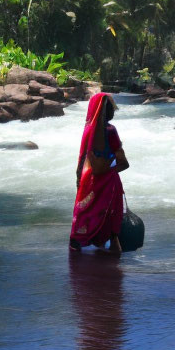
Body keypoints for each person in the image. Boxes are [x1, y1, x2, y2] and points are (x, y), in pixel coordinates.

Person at [70, 93, 130, 253]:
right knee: (111, 218)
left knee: (85, 212)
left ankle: (77, 253)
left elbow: (82, 158)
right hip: (109, 181)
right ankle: (114, 253)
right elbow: (123, 162)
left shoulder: (88, 130)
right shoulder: (111, 130)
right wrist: (110, 171)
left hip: (89, 180)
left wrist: (79, 181)